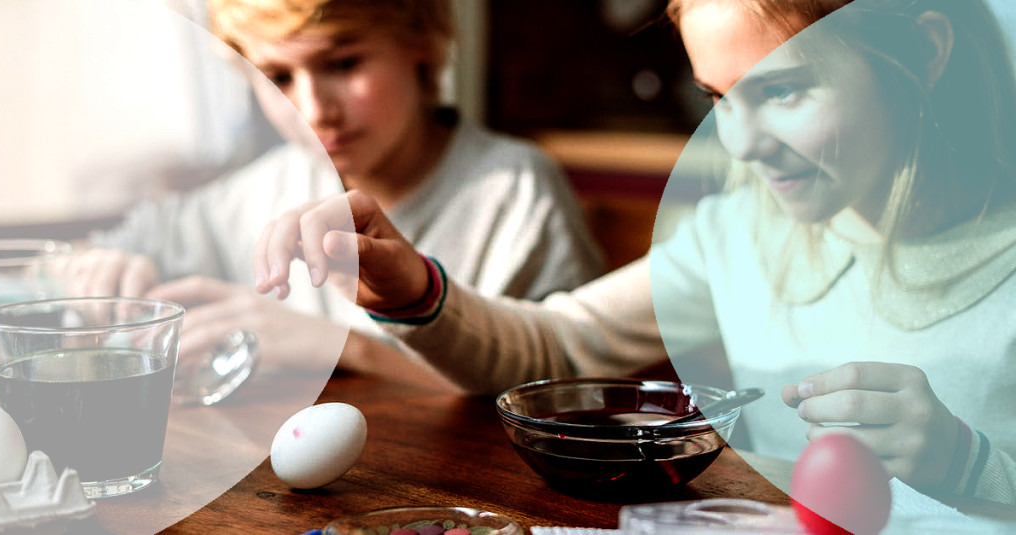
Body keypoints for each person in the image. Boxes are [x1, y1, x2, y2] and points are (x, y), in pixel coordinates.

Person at [256, 0, 1016, 505]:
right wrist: (415, 289)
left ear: (921, 53)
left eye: (783, 90)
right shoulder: (739, 230)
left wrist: (968, 463)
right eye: (719, 99)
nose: (741, 144)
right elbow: (557, 345)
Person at [65, 0, 602, 379]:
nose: (316, 109)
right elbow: (100, 251)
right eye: (278, 76)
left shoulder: (514, 194)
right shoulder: (264, 187)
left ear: (422, 47)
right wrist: (97, 267)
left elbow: (555, 395)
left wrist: (343, 350)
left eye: (344, 63)